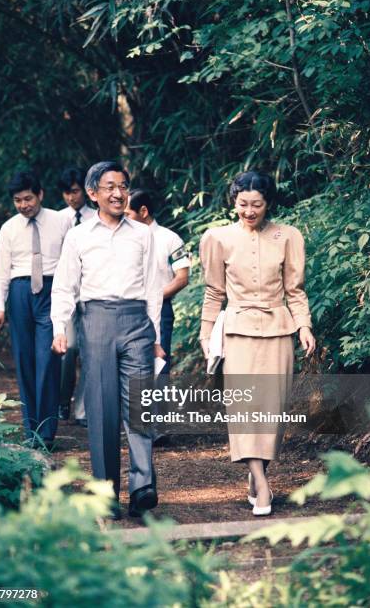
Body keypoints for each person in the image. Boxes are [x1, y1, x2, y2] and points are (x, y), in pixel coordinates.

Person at [51, 161, 165, 519]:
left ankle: (143, 486)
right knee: (101, 410)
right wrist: (59, 328)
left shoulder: (143, 234)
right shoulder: (79, 236)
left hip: (136, 322)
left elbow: (153, 289)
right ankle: (106, 493)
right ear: (93, 193)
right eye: (110, 186)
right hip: (96, 320)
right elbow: (65, 286)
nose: (118, 193)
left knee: (139, 405)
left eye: (124, 186)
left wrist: (156, 335)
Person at [199, 171, 315, 516]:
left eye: (257, 205)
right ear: (233, 203)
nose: (249, 211)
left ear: (268, 204)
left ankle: (257, 473)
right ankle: (262, 484)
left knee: (272, 411)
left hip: (278, 332)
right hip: (237, 333)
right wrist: (206, 334)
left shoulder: (288, 236)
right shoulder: (217, 238)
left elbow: (295, 291)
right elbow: (214, 292)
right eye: (243, 204)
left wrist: (304, 327)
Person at [0, 170, 69, 449]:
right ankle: (30, 431)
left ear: (40, 194)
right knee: (24, 361)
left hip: (51, 290)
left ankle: (46, 433)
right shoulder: (9, 228)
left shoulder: (61, 221)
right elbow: (1, 271)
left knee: (47, 360)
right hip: (20, 292)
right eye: (18, 200)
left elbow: (71, 262)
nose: (24, 205)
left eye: (28, 198)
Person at [126, 189, 190, 374]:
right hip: (128, 308)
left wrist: (152, 297)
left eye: (127, 214)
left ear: (143, 211)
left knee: (159, 364)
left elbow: (182, 278)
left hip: (161, 309)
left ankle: (158, 403)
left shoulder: (169, 239)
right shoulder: (122, 238)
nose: (123, 219)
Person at [57, 166, 95, 427]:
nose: (71, 197)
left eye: (75, 191)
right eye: (66, 193)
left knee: (91, 353)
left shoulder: (97, 217)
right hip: (69, 294)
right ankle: (62, 401)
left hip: (93, 293)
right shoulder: (57, 219)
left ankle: (82, 408)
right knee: (69, 349)